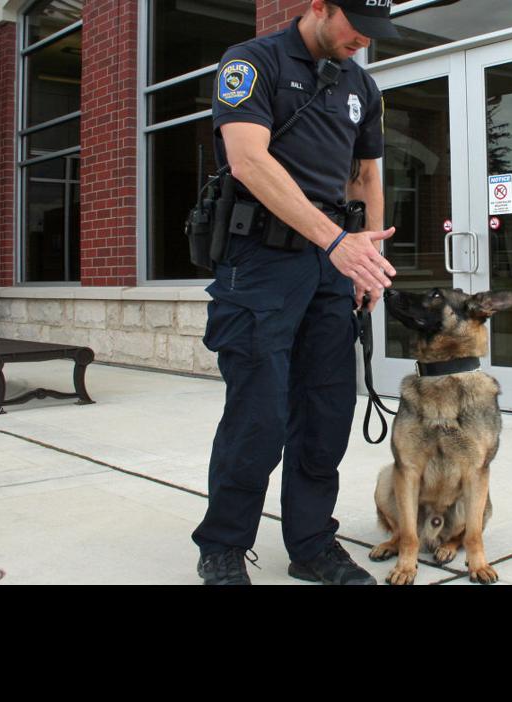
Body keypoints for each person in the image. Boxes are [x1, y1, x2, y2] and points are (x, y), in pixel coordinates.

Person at [192, 0, 399, 585]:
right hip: (261, 261)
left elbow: (365, 178)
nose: (364, 39)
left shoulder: (363, 84)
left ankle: (311, 545)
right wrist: (337, 241)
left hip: (334, 265)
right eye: (355, 25)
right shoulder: (251, 61)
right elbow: (248, 160)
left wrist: (368, 261)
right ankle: (224, 546)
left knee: (326, 413)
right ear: (318, 6)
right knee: (257, 413)